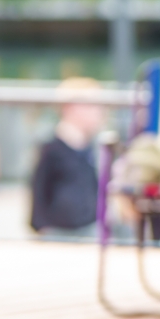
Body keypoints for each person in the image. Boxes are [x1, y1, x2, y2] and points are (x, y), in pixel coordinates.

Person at [30, 77, 106, 238]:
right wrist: (40, 225)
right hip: (58, 229)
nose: (98, 112)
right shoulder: (51, 147)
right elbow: (39, 187)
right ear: (70, 108)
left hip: (87, 225)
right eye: (91, 106)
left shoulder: (92, 147)